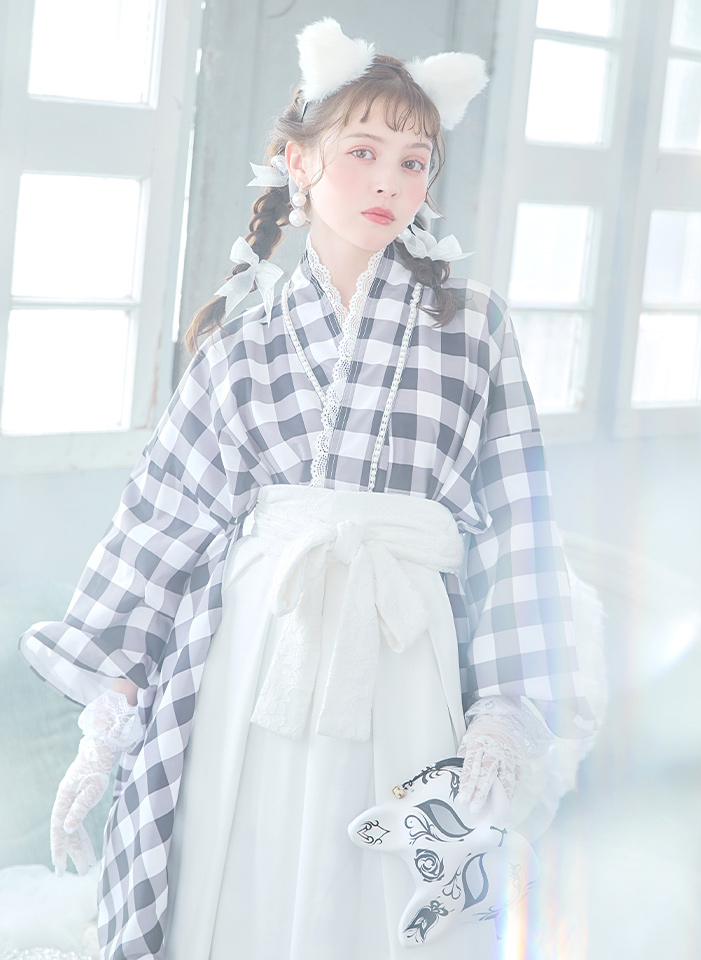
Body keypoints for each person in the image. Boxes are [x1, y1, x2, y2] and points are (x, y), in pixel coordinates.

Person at [19, 18, 597, 960]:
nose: (389, 182)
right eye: (362, 152)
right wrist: (109, 721)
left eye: (414, 162)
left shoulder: (477, 327)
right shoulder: (240, 337)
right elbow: (164, 520)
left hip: (406, 651)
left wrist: (505, 707)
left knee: (388, 890)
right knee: (243, 874)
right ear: (299, 162)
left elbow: (518, 521)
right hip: (254, 652)